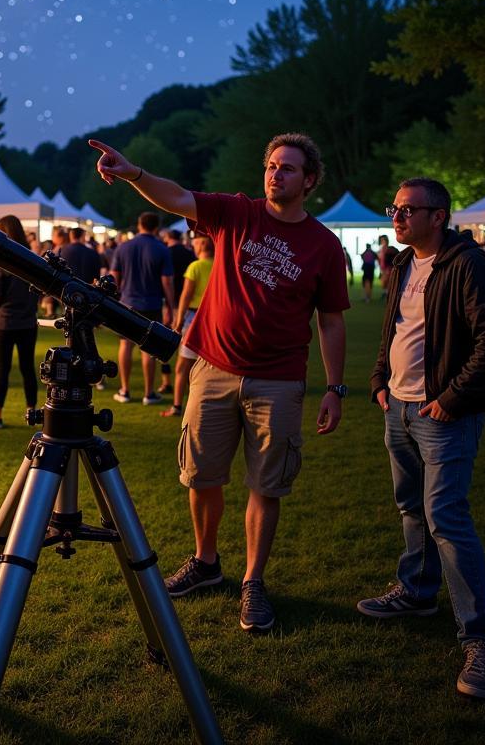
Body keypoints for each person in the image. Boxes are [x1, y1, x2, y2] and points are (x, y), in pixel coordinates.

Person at [90, 133, 348, 633]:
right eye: (272, 165)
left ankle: (253, 582)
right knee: (201, 476)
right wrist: (133, 172)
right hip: (213, 370)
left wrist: (335, 389)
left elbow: (332, 322)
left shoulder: (324, 246)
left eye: (289, 168)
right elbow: (178, 196)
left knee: (265, 485)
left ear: (309, 180)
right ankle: (206, 562)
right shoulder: (237, 213)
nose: (276, 174)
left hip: (279, 380)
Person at [361, 177, 485, 700]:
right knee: (411, 507)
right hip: (400, 408)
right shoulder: (405, 263)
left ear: (439, 216)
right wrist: (381, 379)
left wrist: (451, 398)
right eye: (395, 208)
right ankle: (417, 592)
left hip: (443, 413)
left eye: (409, 210)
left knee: (446, 517)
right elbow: (396, 328)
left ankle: (482, 641)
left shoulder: (469, 264)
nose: (398, 217)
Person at [109, 211, 175, 405]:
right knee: (148, 349)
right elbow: (167, 282)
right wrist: (171, 306)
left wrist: (116, 297)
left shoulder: (123, 247)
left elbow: (115, 276)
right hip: (152, 303)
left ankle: (125, 390)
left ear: (139, 225)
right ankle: (149, 392)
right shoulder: (162, 249)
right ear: (157, 227)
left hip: (127, 302)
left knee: (125, 345)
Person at [0, 214, 41, 429]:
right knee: (28, 368)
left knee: (2, 369)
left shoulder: (1, 262)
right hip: (27, 322)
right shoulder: (32, 259)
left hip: (5, 322)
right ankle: (32, 412)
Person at [161, 234, 214, 419]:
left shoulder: (196, 266)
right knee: (207, 366)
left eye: (196, 241)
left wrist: (179, 319)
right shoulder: (220, 265)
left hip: (194, 318)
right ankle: (204, 405)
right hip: (214, 319)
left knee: (183, 366)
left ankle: (177, 406)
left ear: (202, 244)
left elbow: (186, 294)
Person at [160, 229, 196, 393]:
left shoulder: (165, 252)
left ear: (168, 237)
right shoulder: (190, 254)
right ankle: (190, 384)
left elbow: (165, 281)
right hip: (188, 304)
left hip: (169, 302)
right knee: (188, 350)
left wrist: (169, 305)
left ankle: (166, 381)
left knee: (165, 344)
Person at [377, 234, 398, 300]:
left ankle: (388, 294)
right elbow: (380, 259)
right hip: (383, 268)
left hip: (388, 268)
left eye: (383, 240)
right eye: (381, 240)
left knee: (387, 281)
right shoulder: (382, 249)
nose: (382, 241)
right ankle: (386, 293)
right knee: (384, 282)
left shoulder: (389, 249)